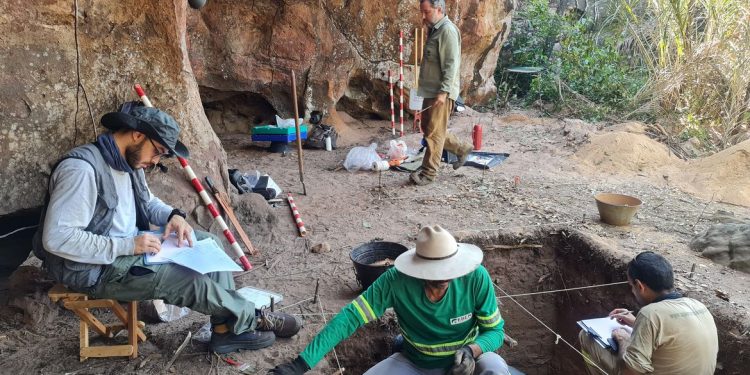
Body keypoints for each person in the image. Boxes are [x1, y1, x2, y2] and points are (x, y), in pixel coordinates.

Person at [32, 104, 301, 354]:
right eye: (158, 150)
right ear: (137, 135)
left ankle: (225, 330)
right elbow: (57, 238)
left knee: (207, 242)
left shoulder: (128, 163)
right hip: (96, 270)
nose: (157, 160)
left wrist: (173, 215)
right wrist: (128, 245)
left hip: (131, 251)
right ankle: (252, 317)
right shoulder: (81, 170)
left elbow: (148, 202)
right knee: (188, 281)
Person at [270, 225, 511, 375]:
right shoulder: (396, 280)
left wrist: (471, 350)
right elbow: (350, 317)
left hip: (467, 362)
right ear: (419, 268)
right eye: (436, 272)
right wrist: (301, 364)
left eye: (449, 270)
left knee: (495, 369)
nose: (444, 277)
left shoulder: (475, 277)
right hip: (417, 363)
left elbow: (496, 332)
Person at [579, 252, 718, 375]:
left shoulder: (650, 313)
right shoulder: (697, 305)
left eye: (631, 286)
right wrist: (636, 323)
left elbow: (630, 372)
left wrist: (623, 340)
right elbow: (672, 334)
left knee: (586, 337)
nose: (632, 291)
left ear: (640, 286)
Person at [410, 0, 474, 186]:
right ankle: (461, 148)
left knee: (433, 134)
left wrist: (444, 92)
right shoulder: (435, 29)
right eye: (422, 12)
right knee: (429, 129)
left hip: (440, 92)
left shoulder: (447, 30)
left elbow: (451, 64)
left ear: (438, 9)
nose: (423, 16)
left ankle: (428, 173)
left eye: (426, 12)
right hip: (430, 90)